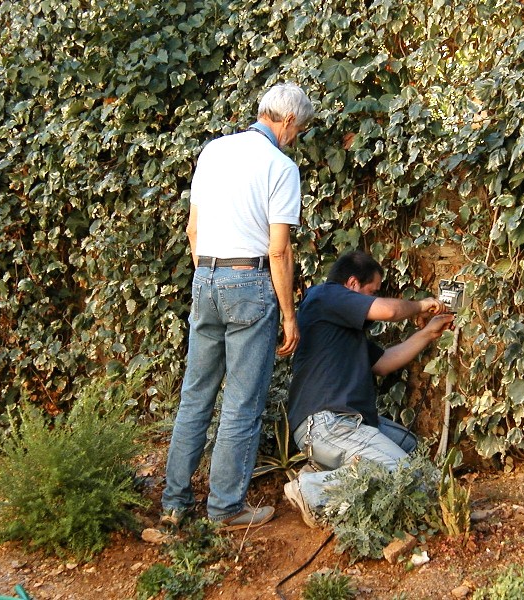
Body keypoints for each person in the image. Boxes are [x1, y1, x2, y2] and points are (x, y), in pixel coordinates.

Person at [161, 83, 315, 531]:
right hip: (248, 281)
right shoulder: (281, 167)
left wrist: (209, 277)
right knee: (242, 404)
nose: (296, 137)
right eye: (299, 129)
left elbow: (193, 229)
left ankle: (174, 503)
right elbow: (280, 251)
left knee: (195, 396)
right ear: (286, 121)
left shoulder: (214, 151)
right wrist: (288, 314)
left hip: (204, 275)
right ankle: (226, 508)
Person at [283, 250, 454, 527]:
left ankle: (329, 469)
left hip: (348, 423)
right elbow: (389, 311)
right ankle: (311, 489)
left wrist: (429, 332)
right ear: (351, 285)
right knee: (408, 475)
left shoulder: (342, 328)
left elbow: (384, 363)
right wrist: (423, 306)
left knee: (411, 450)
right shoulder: (324, 295)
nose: (375, 298)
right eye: (372, 291)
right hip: (327, 424)